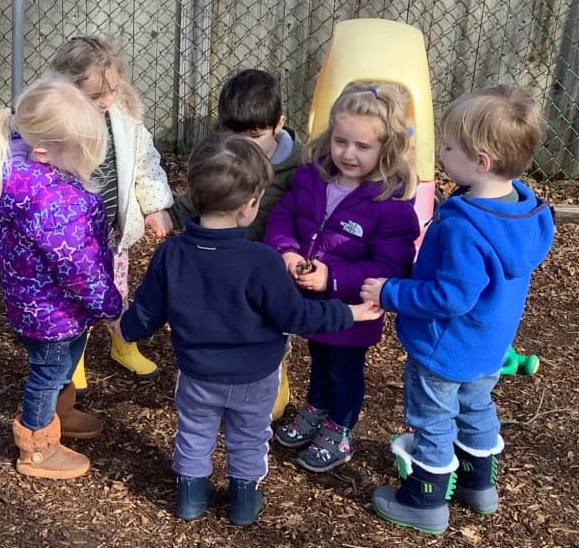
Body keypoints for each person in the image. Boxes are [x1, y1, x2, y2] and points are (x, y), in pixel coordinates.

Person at [108, 133, 384, 526]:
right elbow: (297, 317)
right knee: (250, 437)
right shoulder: (261, 260)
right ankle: (242, 501)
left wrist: (124, 328)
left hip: (198, 373)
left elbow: (147, 313)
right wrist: (349, 313)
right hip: (256, 376)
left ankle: (191, 497)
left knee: (194, 433)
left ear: (194, 196)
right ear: (250, 206)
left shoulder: (172, 254)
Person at [360, 84, 555, 535]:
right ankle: (479, 485)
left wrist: (390, 292)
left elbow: (450, 298)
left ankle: (425, 501)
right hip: (489, 344)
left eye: (449, 147)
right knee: (476, 406)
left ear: (481, 162)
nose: (442, 153)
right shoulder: (525, 210)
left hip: (446, 348)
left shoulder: (465, 228)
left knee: (432, 419)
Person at [0, 78, 123, 479]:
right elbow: (79, 268)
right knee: (48, 374)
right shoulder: (53, 203)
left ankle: (59, 414)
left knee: (63, 365)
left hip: (39, 303)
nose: (88, 163)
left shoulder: (23, 176)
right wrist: (110, 307)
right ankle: (37, 447)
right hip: (54, 312)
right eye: (81, 154)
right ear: (45, 152)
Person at [264, 83, 421, 472]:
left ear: (387, 148)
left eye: (362, 146)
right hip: (312, 302)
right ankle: (316, 408)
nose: (348, 153)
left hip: (353, 309)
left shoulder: (391, 203)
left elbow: (392, 267)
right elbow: (283, 216)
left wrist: (332, 278)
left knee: (344, 369)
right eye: (341, 141)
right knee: (319, 358)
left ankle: (341, 428)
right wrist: (287, 252)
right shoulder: (313, 176)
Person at [167, 68, 303, 420]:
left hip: (271, 269)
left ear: (279, 124)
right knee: (224, 319)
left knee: (272, 323)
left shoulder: (299, 169)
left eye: (255, 136)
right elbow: (205, 192)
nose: (245, 145)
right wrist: (171, 214)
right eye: (235, 135)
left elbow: (308, 214)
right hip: (224, 261)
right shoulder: (227, 155)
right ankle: (216, 382)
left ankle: (274, 369)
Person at [48, 36, 174, 384]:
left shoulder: (125, 121)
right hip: (73, 238)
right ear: (67, 89)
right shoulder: (54, 127)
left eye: (113, 90)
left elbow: (146, 164)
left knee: (116, 291)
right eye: (95, 96)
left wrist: (155, 206)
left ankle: (123, 343)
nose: (107, 101)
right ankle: (75, 357)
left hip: (113, 232)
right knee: (76, 296)